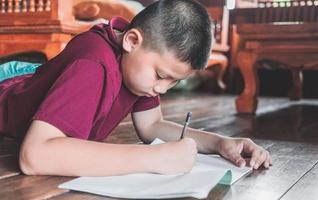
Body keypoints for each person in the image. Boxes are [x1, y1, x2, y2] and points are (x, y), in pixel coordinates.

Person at [0, 0, 271, 177]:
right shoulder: (94, 64)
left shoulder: (138, 68)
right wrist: (153, 158)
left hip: (33, 80)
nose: (163, 89)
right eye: (161, 75)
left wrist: (221, 144)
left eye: (174, 82)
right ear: (131, 40)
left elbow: (152, 126)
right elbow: (34, 156)